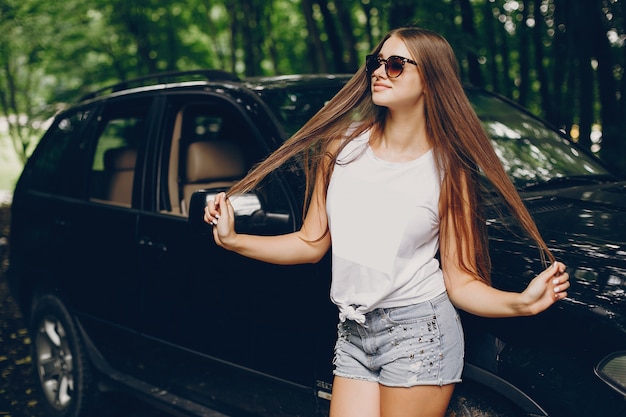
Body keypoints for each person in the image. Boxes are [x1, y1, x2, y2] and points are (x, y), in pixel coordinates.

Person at [204, 26, 570, 417]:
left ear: (431, 79)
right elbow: (311, 243)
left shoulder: (450, 171)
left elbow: (461, 282)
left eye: (395, 65)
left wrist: (521, 303)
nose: (379, 71)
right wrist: (234, 240)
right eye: (376, 62)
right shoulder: (341, 148)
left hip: (419, 334)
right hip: (353, 331)